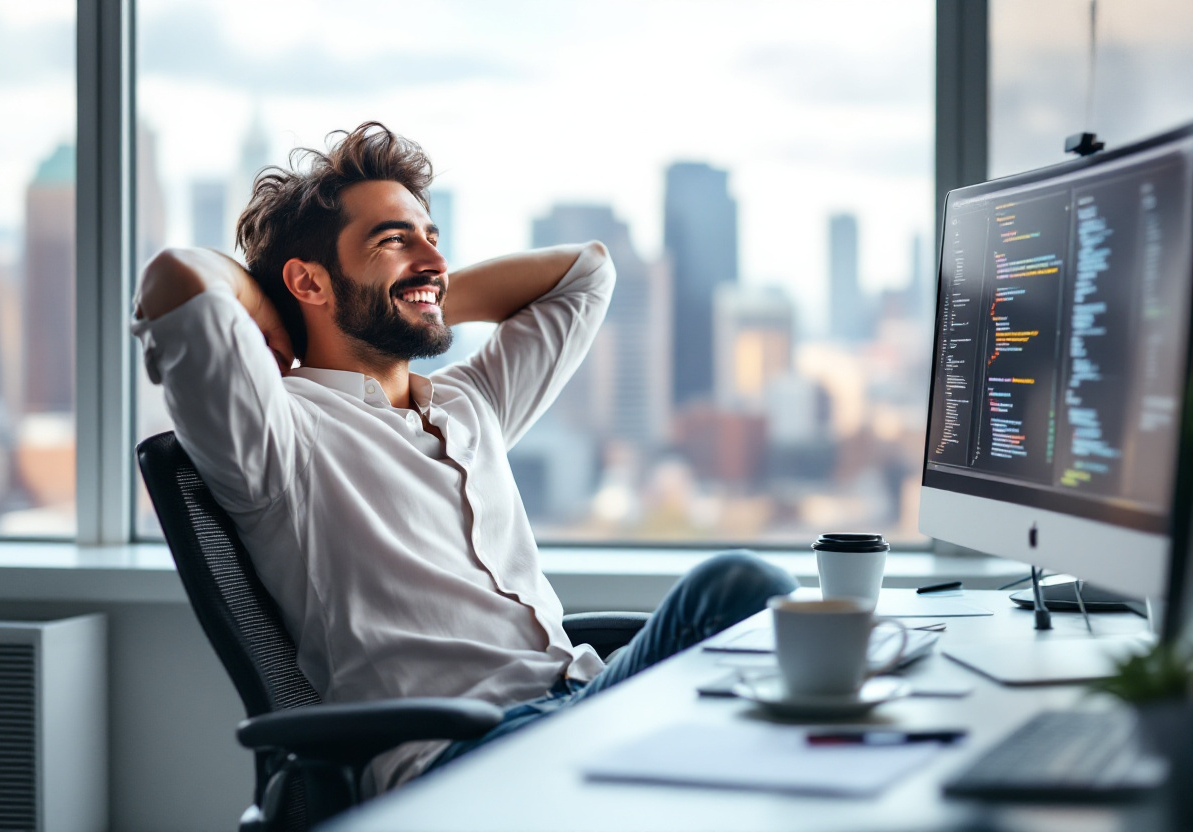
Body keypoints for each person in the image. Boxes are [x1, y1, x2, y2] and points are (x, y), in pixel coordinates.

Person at [132, 121, 797, 793]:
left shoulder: (467, 402)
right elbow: (175, 281)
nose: (433, 258)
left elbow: (587, 273)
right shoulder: (279, 437)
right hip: (462, 756)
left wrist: (420, 293)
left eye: (433, 237)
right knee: (739, 602)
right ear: (309, 282)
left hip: (576, 701)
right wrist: (264, 302)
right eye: (393, 240)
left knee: (742, 593)